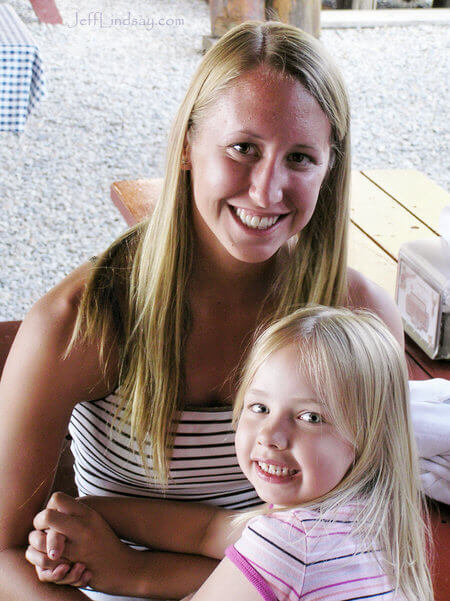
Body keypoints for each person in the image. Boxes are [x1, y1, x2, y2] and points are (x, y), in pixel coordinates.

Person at [0, 20, 404, 601]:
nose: (268, 191)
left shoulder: (360, 320)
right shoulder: (80, 321)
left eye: (300, 158)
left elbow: (362, 549)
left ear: (330, 167)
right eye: (243, 148)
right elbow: (6, 545)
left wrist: (141, 571)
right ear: (188, 146)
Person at [26, 307, 433, 600]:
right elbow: (211, 530)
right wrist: (87, 513)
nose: (272, 434)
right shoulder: (371, 516)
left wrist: (118, 569)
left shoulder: (294, 544)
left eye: (311, 416)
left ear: (371, 435)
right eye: (259, 407)